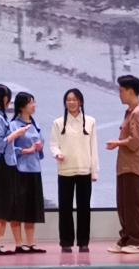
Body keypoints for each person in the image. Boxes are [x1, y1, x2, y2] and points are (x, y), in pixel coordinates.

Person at [50, 88, 99, 254]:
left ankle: (84, 242)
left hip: (84, 170)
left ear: (81, 102)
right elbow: (53, 144)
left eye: (74, 99)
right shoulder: (58, 123)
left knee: (84, 208)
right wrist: (57, 153)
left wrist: (94, 171)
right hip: (65, 171)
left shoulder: (90, 121)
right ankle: (66, 242)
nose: (71, 102)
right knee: (65, 208)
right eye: (68, 100)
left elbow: (94, 148)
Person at [107, 74, 139, 254]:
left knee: (133, 205)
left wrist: (117, 143)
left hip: (134, 167)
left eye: (121, 91)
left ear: (131, 91)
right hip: (125, 166)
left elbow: (135, 141)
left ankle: (136, 241)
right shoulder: (131, 112)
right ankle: (126, 238)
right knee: (124, 205)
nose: (119, 94)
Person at [0, 84, 28, 256]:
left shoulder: (0, 116)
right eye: (8, 98)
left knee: (3, 206)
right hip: (0, 166)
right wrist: (16, 134)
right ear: (4, 99)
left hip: (6, 165)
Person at [9, 91, 46, 253]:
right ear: (22, 106)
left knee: (32, 208)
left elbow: (40, 147)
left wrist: (39, 148)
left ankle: (31, 243)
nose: (34, 105)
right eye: (31, 102)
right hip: (19, 171)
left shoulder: (35, 124)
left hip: (34, 169)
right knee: (18, 208)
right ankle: (19, 244)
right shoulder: (14, 126)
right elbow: (9, 148)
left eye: (34, 102)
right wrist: (25, 150)